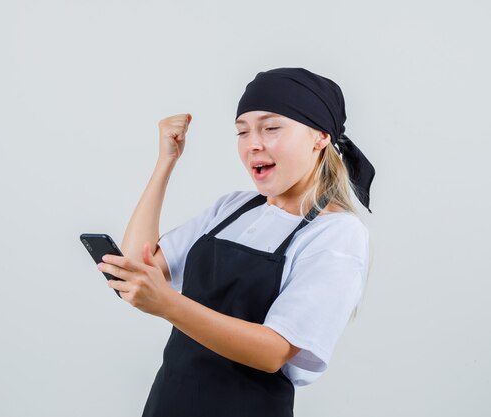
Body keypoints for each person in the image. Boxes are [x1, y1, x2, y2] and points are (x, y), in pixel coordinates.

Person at [96, 67, 376, 417]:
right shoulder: (233, 208)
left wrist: (168, 304)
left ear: (319, 136)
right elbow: (140, 265)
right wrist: (165, 161)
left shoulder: (336, 233)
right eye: (242, 132)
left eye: (271, 128)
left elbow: (273, 351)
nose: (253, 143)